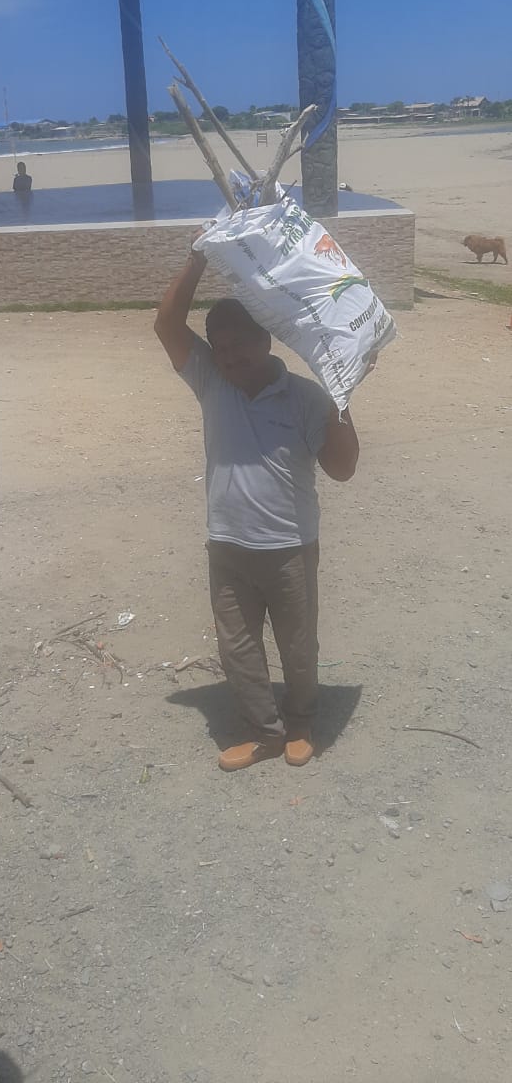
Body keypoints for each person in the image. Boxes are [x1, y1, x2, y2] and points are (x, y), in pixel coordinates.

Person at [154, 238, 360, 773]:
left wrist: (341, 401)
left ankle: (301, 723)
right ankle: (264, 732)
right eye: (219, 347)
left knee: (298, 647)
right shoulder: (211, 380)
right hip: (227, 544)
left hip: (290, 546)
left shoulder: (306, 397)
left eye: (239, 345)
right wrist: (197, 257)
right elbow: (167, 324)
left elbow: (342, 469)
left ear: (267, 340)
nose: (229, 357)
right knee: (238, 648)